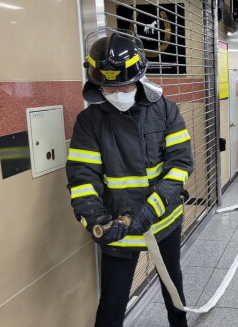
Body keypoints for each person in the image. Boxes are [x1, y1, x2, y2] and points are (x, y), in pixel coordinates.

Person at [66, 31, 193, 327]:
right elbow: (82, 176)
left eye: (123, 85)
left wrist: (151, 211)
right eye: (109, 88)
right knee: (112, 303)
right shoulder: (90, 122)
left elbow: (180, 164)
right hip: (117, 228)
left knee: (172, 287)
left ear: (139, 76)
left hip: (163, 222)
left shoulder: (166, 111)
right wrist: (96, 220)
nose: (117, 93)